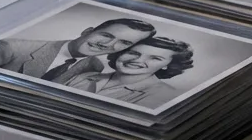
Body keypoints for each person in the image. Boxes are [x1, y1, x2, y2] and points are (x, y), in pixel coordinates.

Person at [0, 18, 156, 82]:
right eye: (106, 35)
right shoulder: (11, 48)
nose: (107, 45)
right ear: (88, 31)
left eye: (123, 43)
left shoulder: (94, 67)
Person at [63, 36, 194, 109]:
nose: (137, 60)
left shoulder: (166, 96)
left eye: (155, 58)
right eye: (132, 53)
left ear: (167, 65)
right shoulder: (84, 77)